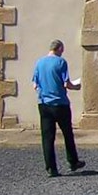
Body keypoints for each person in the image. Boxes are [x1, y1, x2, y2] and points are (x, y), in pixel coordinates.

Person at [32, 39, 85, 177]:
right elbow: (67, 83)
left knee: (47, 137)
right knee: (67, 133)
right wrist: (77, 86)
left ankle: (51, 168)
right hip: (60, 103)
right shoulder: (61, 62)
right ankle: (73, 161)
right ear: (60, 48)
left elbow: (35, 85)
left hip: (43, 103)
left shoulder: (39, 62)